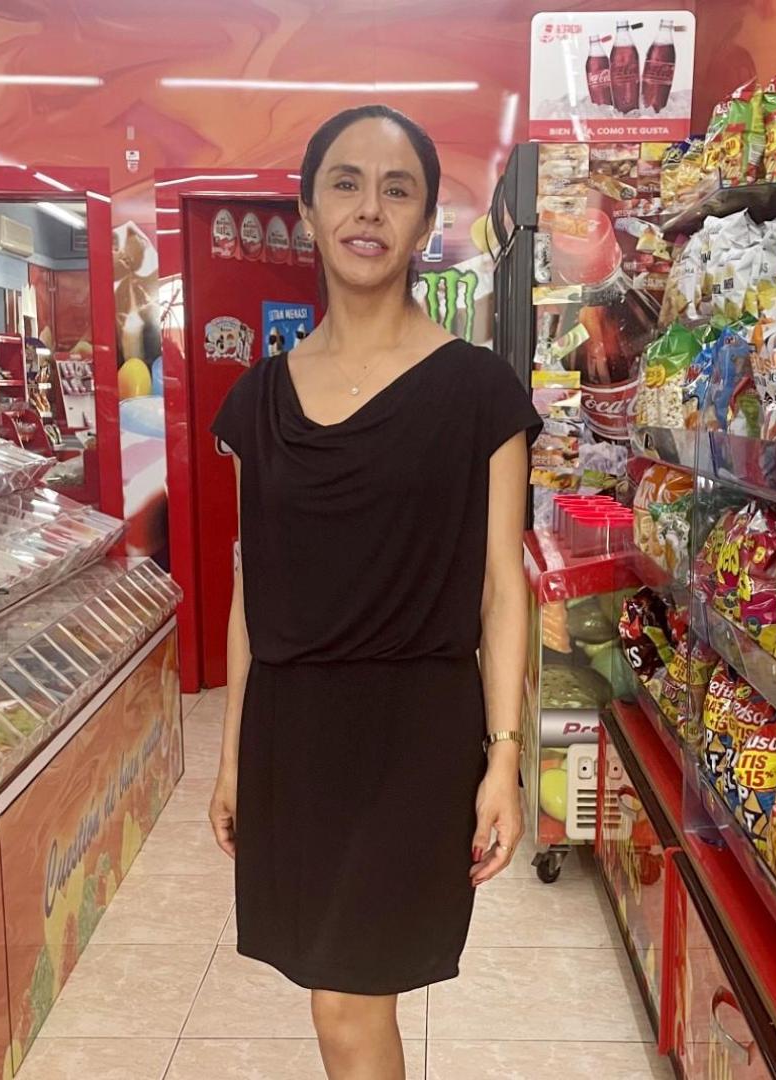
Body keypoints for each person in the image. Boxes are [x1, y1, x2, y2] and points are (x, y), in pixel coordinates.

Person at [207, 105, 541, 1080]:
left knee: (347, 1002)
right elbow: (250, 589)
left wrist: (505, 759)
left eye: (398, 191)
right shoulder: (256, 402)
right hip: (294, 739)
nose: (369, 209)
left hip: (417, 736)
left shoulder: (479, 392)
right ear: (307, 211)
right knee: (340, 996)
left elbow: (502, 589)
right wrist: (230, 760)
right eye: (345, 184)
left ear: (426, 221)